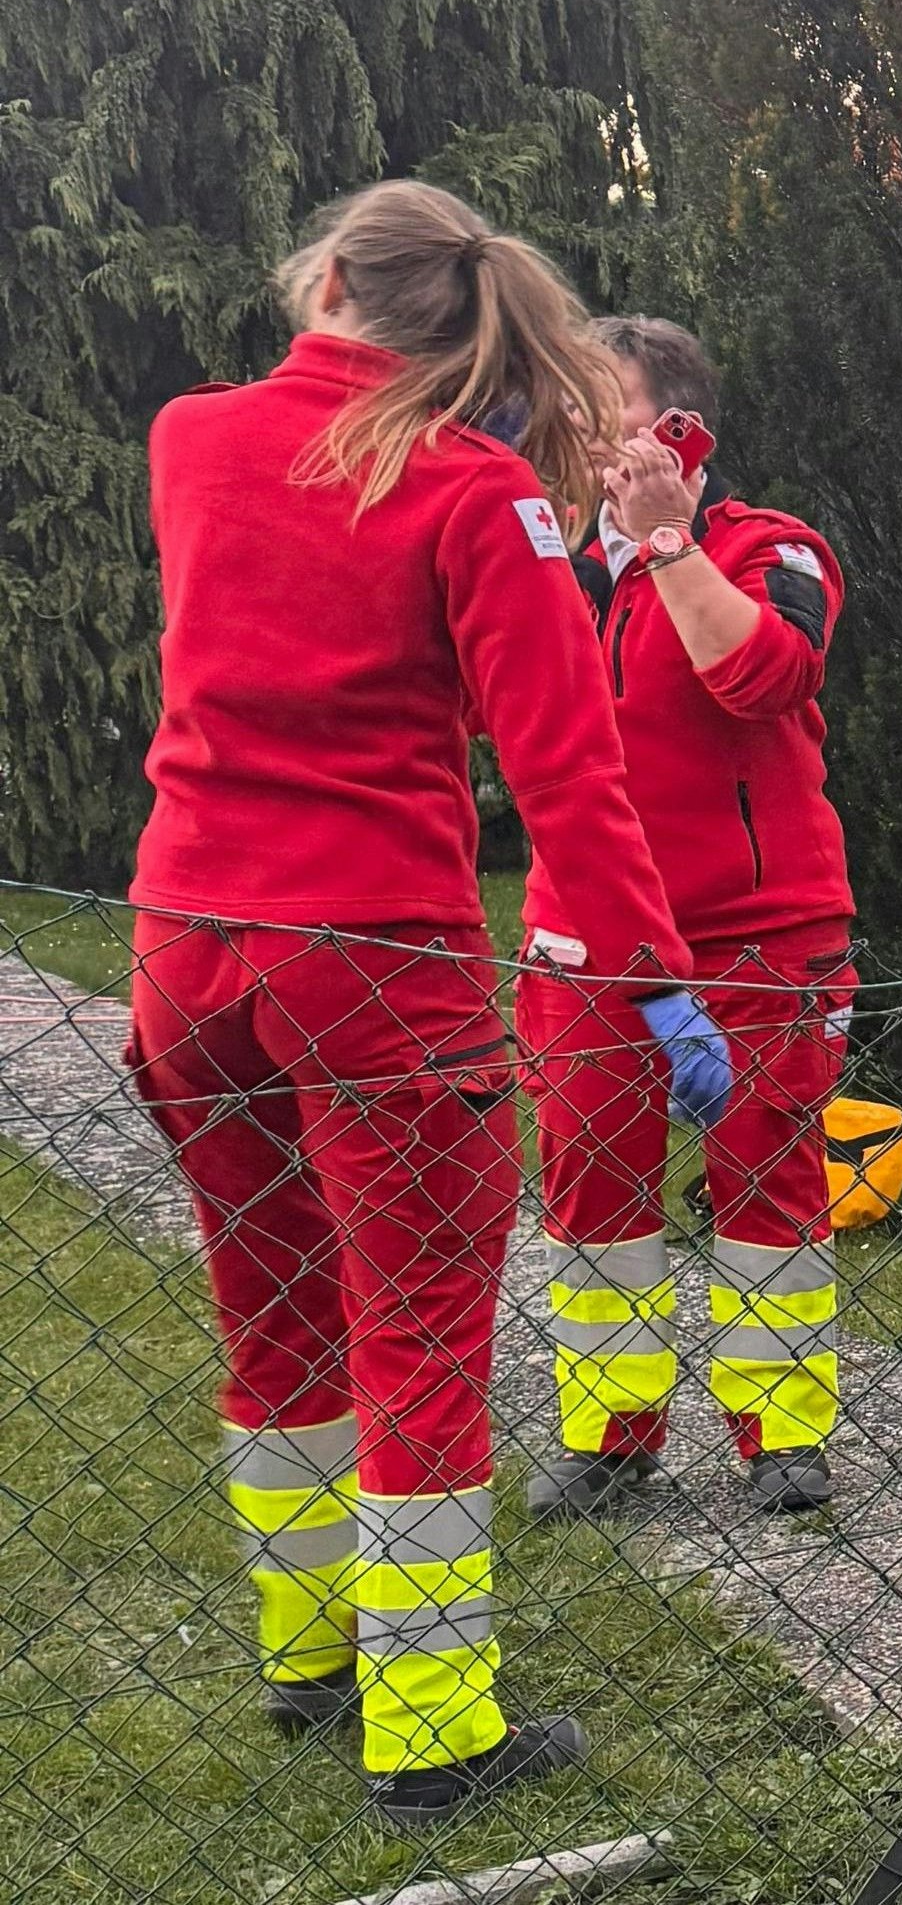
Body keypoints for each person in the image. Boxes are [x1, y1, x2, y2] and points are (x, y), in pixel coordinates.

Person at [123, 181, 717, 1820]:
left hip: (189, 946)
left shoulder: (190, 441)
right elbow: (570, 782)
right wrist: (658, 987)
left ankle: (307, 1651)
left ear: (323, 277)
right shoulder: (470, 493)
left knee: (276, 1318)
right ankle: (435, 1723)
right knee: (419, 1347)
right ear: (474, 325)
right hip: (378, 966)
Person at [513, 317, 858, 1521]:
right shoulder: (544, 562)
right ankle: (612, 1433)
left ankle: (783, 1434)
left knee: (767, 1177)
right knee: (590, 1185)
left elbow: (761, 676)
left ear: (677, 430)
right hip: (588, 935)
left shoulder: (776, 550)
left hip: (760, 931)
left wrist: (668, 544)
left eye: (596, 412)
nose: (572, 435)